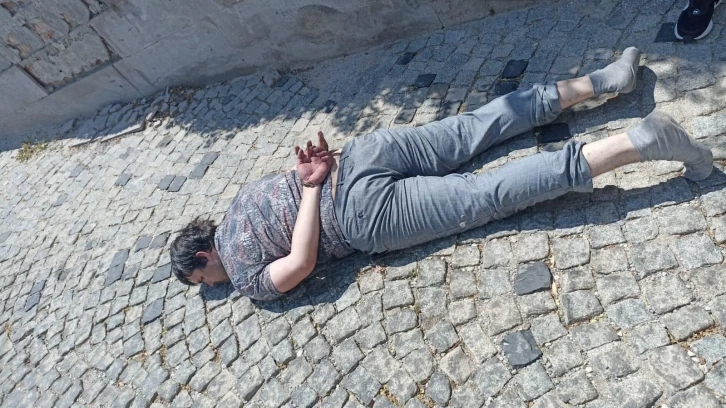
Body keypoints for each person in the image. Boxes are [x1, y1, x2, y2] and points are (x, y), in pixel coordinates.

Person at [169, 47, 714, 301]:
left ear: (202, 259)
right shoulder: (239, 200)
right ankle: (606, 79)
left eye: (203, 282)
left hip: (359, 216)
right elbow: (297, 177)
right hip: (360, 156)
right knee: (476, 126)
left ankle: (639, 143)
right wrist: (315, 173)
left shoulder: (244, 277)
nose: (212, 286)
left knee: (485, 193)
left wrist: (312, 190)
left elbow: (301, 262)